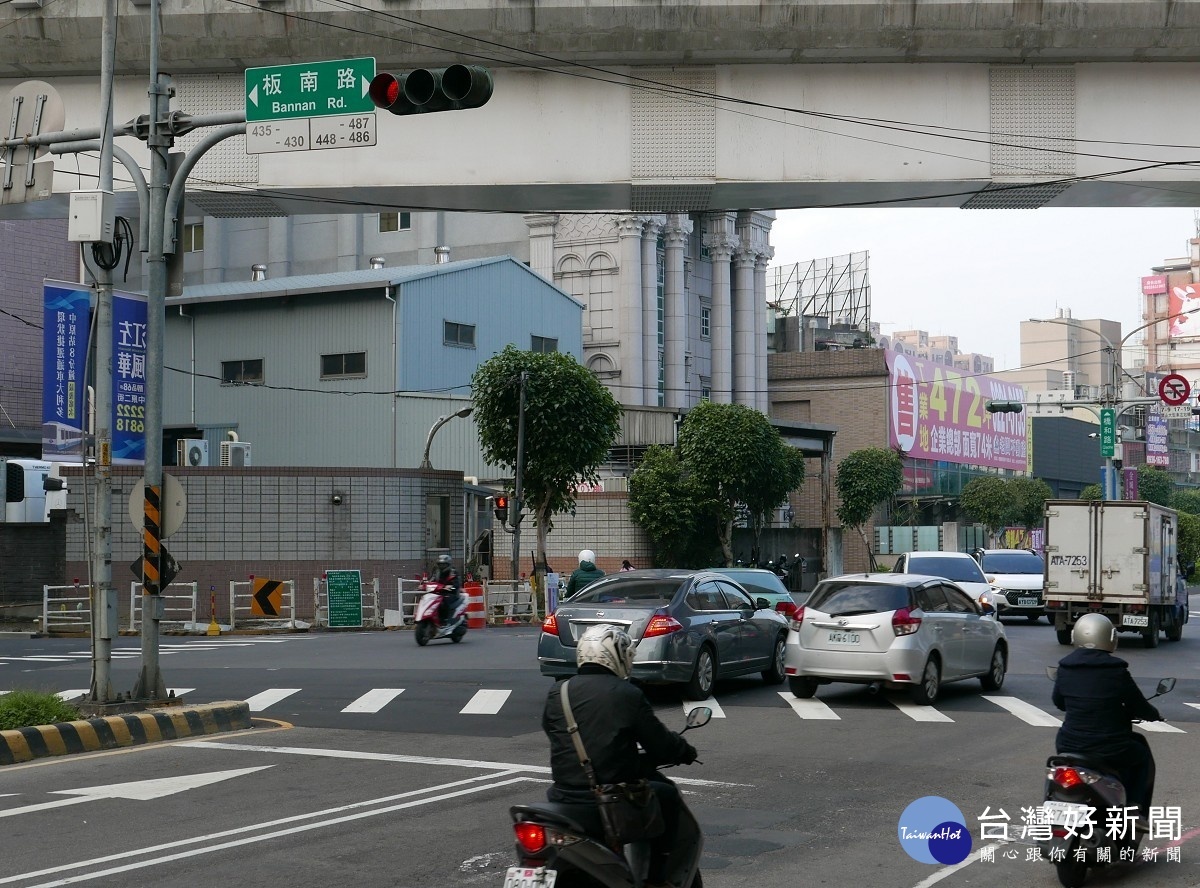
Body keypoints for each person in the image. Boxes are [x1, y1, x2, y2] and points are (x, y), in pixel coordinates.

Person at [542, 625, 697, 887]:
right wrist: (683, 750)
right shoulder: (627, 694)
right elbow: (659, 743)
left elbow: (553, 732)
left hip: (562, 794)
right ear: (616, 657)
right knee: (667, 795)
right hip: (608, 798)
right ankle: (656, 879)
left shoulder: (559, 692)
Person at [1051, 613, 1162, 820]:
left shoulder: (1065, 667)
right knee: (1141, 757)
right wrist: (1153, 715)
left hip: (1069, 745)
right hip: (1109, 747)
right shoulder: (1116, 670)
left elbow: (1058, 702)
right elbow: (1138, 705)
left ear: (1077, 636)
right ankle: (1136, 809)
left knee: (1057, 771)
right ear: (1110, 638)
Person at [433, 554, 463, 625]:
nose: (442, 566)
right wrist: (424, 585)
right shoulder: (437, 572)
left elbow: (457, 583)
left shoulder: (453, 572)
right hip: (439, 593)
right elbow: (432, 580)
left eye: (444, 565)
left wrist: (451, 586)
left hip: (451, 593)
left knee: (443, 602)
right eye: (440, 564)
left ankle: (445, 620)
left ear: (448, 564)